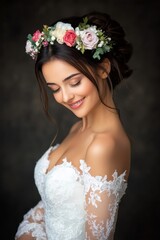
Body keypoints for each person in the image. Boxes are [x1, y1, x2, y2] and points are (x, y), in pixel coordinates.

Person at [15, 10, 133, 240]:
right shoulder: (78, 128)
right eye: (55, 89)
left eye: (74, 82)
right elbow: (53, 206)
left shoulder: (104, 146)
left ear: (103, 68)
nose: (66, 97)